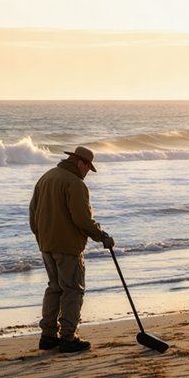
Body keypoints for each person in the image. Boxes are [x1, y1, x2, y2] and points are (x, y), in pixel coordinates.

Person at [29, 146, 114, 352]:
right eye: (88, 168)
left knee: (54, 288)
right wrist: (101, 235)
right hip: (67, 246)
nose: (87, 173)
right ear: (80, 162)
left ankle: (48, 336)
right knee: (73, 290)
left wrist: (41, 237)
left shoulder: (47, 177)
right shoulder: (75, 183)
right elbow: (82, 219)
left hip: (46, 244)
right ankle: (68, 337)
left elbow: (32, 213)